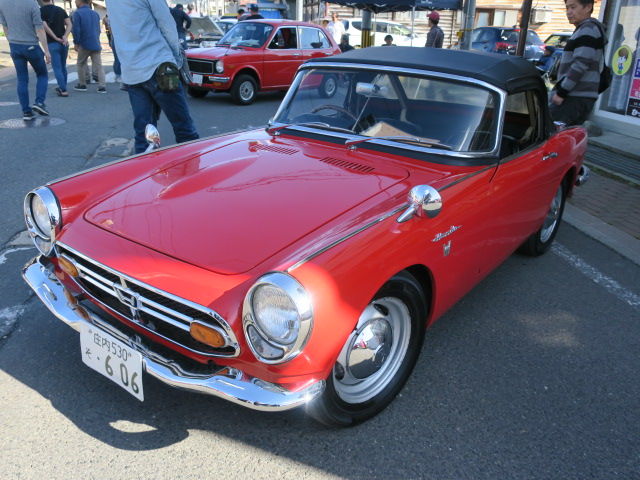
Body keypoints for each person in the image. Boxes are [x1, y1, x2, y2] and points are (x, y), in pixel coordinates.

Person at [106, 0, 199, 154]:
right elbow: (167, 24)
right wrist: (176, 60)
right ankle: (191, 168)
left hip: (132, 71)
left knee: (144, 138)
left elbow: (116, 33)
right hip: (159, 65)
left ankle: (145, 169)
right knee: (184, 130)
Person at [550, 0, 606, 125]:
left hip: (574, 97)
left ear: (588, 7)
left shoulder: (588, 29)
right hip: (578, 96)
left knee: (555, 133)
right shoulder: (586, 29)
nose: (569, 12)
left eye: (573, 7)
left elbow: (580, 64)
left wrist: (562, 93)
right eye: (567, 8)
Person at [0, 0, 50, 120]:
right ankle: (39, 102)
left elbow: (5, 26)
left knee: (22, 79)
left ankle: (26, 112)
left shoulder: (2, 3)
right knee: (42, 74)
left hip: (14, 45)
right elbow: (39, 28)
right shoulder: (32, 3)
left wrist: (11, 42)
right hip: (31, 45)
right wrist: (47, 51)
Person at [72, 0, 106, 93]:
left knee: (80, 63)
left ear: (80, 1)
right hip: (95, 42)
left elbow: (76, 30)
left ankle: (82, 84)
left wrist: (76, 43)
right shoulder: (95, 13)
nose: (75, 2)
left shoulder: (77, 13)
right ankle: (102, 86)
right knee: (99, 66)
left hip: (84, 43)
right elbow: (98, 30)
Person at [40, 0, 70, 97]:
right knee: (63, 66)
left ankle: (63, 89)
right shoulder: (60, 9)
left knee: (57, 67)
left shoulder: (40, 11)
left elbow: (45, 26)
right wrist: (65, 36)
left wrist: (55, 38)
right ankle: (63, 86)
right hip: (64, 42)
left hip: (52, 43)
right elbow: (69, 24)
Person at [103, 14, 121, 85]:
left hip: (118, 39)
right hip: (116, 39)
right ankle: (118, 75)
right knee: (117, 58)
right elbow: (109, 29)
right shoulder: (111, 17)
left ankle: (120, 74)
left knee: (119, 58)